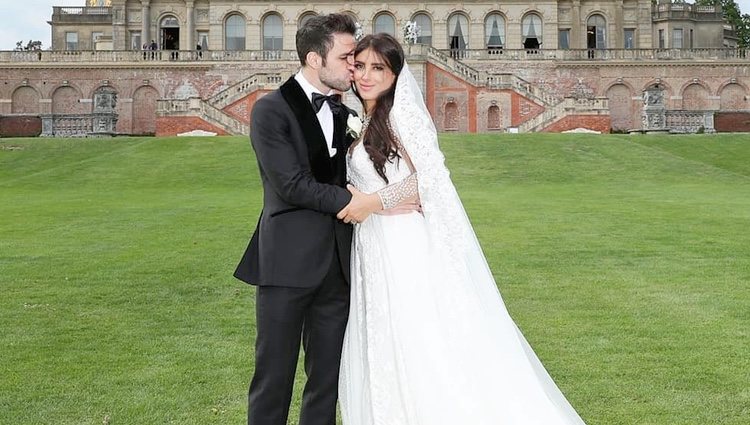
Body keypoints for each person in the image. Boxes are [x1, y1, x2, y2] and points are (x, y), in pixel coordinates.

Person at [336, 33, 587, 425]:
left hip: (404, 244)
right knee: (385, 340)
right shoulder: (360, 117)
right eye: (362, 66)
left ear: (395, 73)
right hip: (372, 245)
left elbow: (431, 177)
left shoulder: (402, 114)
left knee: (419, 338)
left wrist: (373, 202)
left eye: (378, 68)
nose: (366, 76)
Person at [233, 14, 415, 425]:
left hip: (338, 264)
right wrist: (363, 202)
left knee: (327, 382)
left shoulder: (346, 110)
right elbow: (292, 184)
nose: (354, 65)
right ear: (315, 59)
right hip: (286, 264)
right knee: (273, 377)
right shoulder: (270, 110)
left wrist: (386, 197)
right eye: (347, 56)